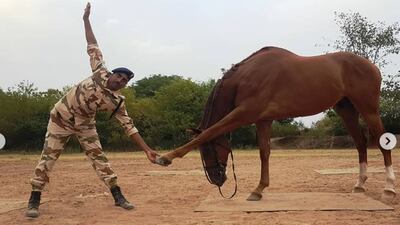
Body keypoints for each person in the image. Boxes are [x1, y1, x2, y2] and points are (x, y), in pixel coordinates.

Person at [26, 2, 159, 218]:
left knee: (100, 159)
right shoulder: (99, 70)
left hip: (85, 125)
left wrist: (146, 149)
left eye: (124, 81)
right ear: (112, 74)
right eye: (119, 76)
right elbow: (92, 43)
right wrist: (86, 20)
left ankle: (118, 196)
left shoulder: (116, 102)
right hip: (60, 119)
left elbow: (129, 127)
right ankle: (34, 199)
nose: (120, 81)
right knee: (48, 158)